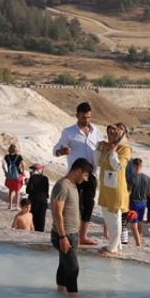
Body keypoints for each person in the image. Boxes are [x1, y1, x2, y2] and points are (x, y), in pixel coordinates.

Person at [52, 102, 104, 245]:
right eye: (83, 117)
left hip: (91, 175)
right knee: (73, 205)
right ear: (77, 116)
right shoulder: (68, 132)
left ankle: (83, 236)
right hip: (75, 176)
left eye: (89, 117)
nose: (86, 120)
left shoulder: (96, 132)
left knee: (89, 205)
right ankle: (65, 233)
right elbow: (55, 150)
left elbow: (100, 148)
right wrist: (61, 151)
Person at [50, 158, 94, 295]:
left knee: (64, 266)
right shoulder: (62, 186)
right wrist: (63, 237)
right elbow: (57, 212)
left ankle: (61, 295)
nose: (86, 179)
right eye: (85, 175)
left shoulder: (72, 185)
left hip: (71, 234)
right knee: (73, 269)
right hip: (65, 235)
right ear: (78, 171)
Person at [96, 124, 132, 256]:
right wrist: (98, 149)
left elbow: (118, 166)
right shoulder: (106, 146)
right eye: (109, 133)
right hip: (105, 187)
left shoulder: (125, 149)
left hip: (116, 188)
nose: (110, 135)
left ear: (120, 134)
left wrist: (112, 151)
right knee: (107, 217)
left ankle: (113, 248)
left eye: (113, 133)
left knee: (115, 217)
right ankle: (116, 244)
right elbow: (98, 163)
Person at [126, 158, 150, 246]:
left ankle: (138, 243)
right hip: (143, 203)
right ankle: (140, 237)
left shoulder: (131, 178)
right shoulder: (147, 178)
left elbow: (128, 192)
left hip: (133, 203)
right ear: (141, 166)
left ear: (133, 166)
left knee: (133, 224)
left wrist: (125, 203)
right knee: (139, 222)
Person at [25, 163, 51, 233]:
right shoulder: (45, 178)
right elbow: (46, 192)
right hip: (43, 201)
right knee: (41, 219)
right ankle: (40, 233)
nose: (32, 170)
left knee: (33, 218)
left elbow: (28, 190)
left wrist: (28, 182)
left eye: (33, 169)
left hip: (33, 200)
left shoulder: (32, 177)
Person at [3, 145, 25, 210]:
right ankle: (17, 206)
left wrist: (5, 172)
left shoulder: (6, 156)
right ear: (15, 150)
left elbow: (3, 165)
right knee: (17, 191)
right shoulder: (19, 156)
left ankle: (10, 205)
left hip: (10, 176)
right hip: (17, 176)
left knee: (10, 191)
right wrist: (23, 171)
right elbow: (23, 164)